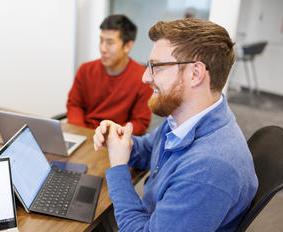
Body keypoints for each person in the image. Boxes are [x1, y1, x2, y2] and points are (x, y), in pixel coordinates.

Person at [93, 18, 258, 231]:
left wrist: (118, 167)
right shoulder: (185, 118)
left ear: (195, 73)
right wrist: (119, 141)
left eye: (155, 67)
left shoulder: (209, 168)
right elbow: (149, 151)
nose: (145, 77)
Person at [67, 14, 153, 136]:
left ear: (127, 46)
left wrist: (110, 136)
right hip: (84, 134)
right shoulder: (85, 70)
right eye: (101, 40)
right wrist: (81, 133)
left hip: (116, 140)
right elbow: (74, 105)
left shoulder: (143, 79)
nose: (103, 48)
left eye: (110, 43)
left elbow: (140, 122)